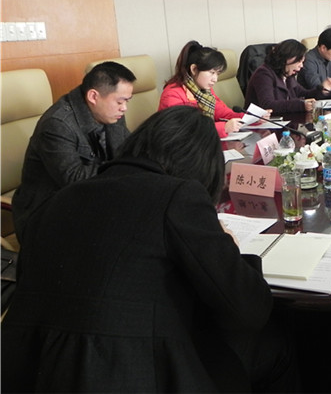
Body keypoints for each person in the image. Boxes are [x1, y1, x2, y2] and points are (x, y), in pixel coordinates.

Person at [2, 106, 295, 392]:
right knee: (275, 344)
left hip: (27, 372)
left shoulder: (57, 200)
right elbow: (250, 310)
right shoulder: (179, 195)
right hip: (127, 373)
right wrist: (229, 248)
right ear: (202, 166)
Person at [11, 61, 135, 243]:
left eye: (126, 101)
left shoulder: (112, 114)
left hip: (92, 200)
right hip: (48, 214)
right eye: (120, 101)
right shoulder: (57, 124)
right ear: (93, 96)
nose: (124, 108)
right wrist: (125, 168)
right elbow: (74, 179)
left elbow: (127, 152)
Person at [159, 40, 246, 138]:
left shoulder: (205, 91)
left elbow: (223, 113)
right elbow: (184, 131)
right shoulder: (172, 94)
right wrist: (223, 127)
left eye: (217, 74)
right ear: (194, 69)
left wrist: (249, 118)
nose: (215, 79)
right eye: (212, 73)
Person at [246, 38, 331, 113]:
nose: (301, 66)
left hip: (284, 120)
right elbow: (268, 105)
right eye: (299, 61)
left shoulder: (287, 74)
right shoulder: (263, 74)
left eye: (302, 62)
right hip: (260, 123)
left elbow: (303, 93)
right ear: (288, 58)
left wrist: (321, 90)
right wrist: (301, 105)